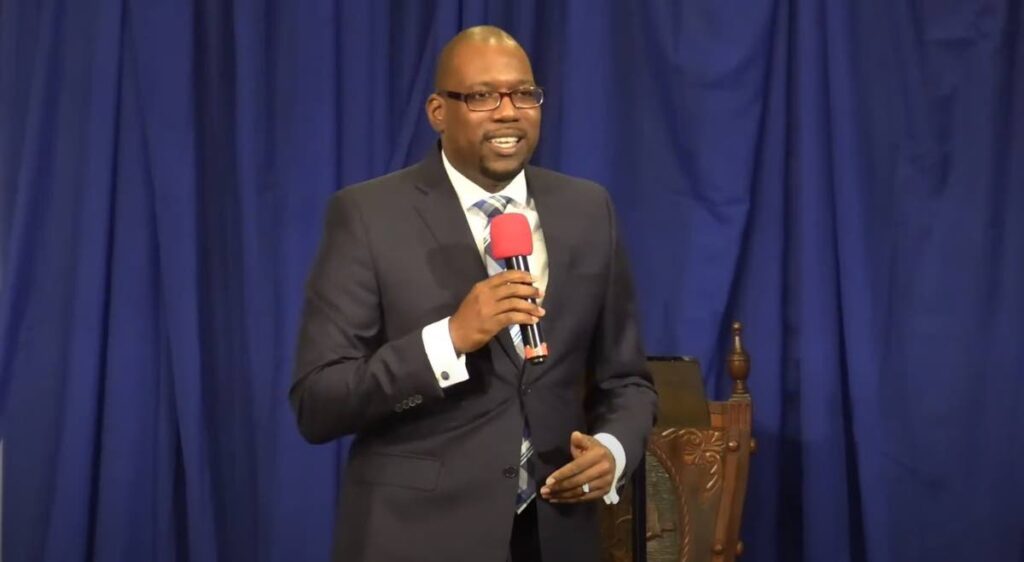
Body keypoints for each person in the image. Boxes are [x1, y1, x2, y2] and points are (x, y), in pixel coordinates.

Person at [290, 25, 657, 562]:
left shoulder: (588, 209)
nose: (509, 112)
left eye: (524, 94)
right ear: (439, 111)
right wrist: (449, 340)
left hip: (558, 533)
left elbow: (627, 380)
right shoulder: (368, 216)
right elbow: (318, 403)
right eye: (483, 96)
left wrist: (613, 450)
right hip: (416, 537)